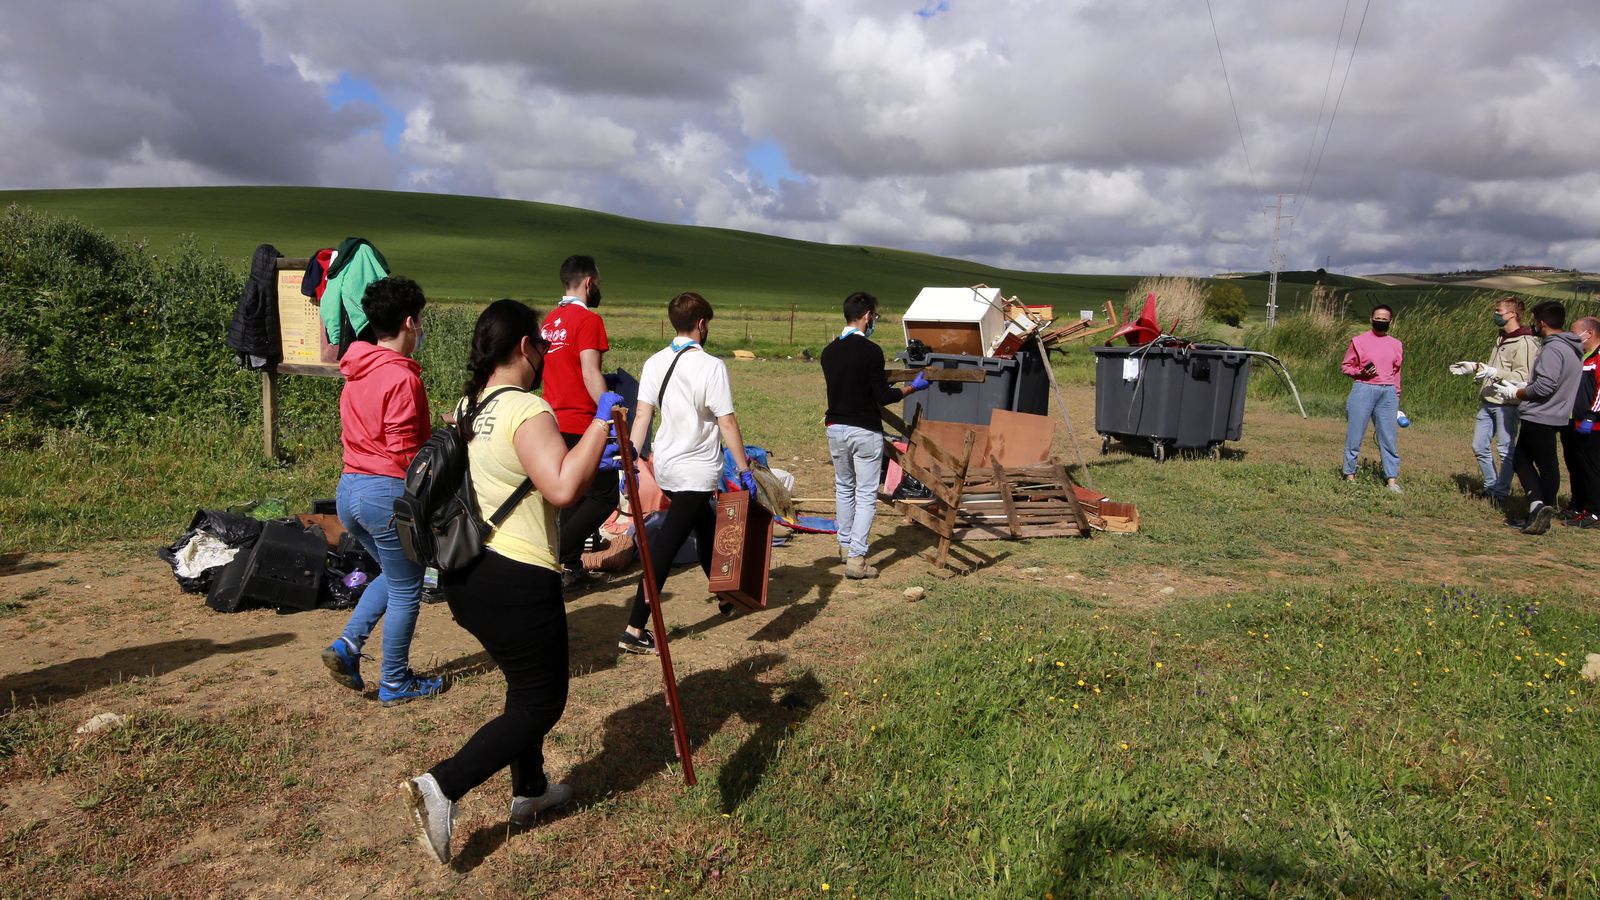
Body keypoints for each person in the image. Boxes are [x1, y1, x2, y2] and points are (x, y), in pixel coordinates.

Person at [405, 299, 622, 865]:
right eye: (543, 348)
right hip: (518, 575)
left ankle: (530, 789)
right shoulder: (528, 409)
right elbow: (561, 487)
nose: (547, 357)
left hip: (467, 574)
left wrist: (589, 448)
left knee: (522, 684)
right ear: (526, 347)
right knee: (542, 702)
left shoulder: (470, 404)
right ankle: (443, 785)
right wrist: (602, 422)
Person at [320, 276, 442, 707]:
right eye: (421, 320)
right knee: (408, 589)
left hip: (349, 490)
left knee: (394, 576)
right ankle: (394, 682)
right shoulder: (401, 378)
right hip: (385, 495)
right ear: (410, 321)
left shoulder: (357, 369)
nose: (422, 328)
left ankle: (347, 648)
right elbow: (406, 452)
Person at [617, 292, 756, 654]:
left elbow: (643, 415)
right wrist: (744, 469)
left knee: (705, 523)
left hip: (667, 464)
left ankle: (726, 595)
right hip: (696, 469)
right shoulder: (711, 366)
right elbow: (726, 420)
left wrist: (631, 455)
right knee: (664, 548)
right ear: (701, 324)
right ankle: (634, 628)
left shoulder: (654, 362)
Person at [820, 291, 931, 579]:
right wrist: (912, 388)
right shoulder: (871, 351)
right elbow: (883, 396)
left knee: (844, 488)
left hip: (836, 428)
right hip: (864, 430)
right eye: (875, 316)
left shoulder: (828, 352)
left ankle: (844, 547)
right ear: (867, 315)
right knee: (866, 493)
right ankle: (857, 558)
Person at [539, 255, 615, 585]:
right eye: (597, 281)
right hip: (581, 420)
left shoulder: (548, 321)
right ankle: (555, 555)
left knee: (570, 495)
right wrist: (609, 413)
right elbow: (590, 371)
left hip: (550, 420)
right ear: (588, 282)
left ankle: (570, 566)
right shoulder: (589, 322)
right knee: (604, 495)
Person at [1492, 300, 1584, 535]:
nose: (1533, 325)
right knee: (1548, 465)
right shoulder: (1573, 348)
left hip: (1540, 414)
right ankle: (1541, 509)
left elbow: (1544, 386)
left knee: (1521, 460)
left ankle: (1538, 507)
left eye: (1534, 321)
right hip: (1559, 414)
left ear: (1541, 322)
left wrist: (1518, 391)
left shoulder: (1553, 348)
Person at [1448, 296, 1540, 504]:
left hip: (1507, 404)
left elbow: (1523, 378)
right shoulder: (1501, 338)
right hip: (1488, 399)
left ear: (1512, 314)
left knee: (1505, 449)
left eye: (1499, 311)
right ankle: (1491, 486)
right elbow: (1497, 368)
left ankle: (1501, 492)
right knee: (1479, 446)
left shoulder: (1524, 342)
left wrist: (1492, 372)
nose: (1496, 315)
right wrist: (1476, 367)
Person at [1340, 305, 1404, 493]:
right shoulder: (1358, 341)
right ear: (1371, 318)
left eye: (1385, 319)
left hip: (1388, 392)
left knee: (1388, 437)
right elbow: (1346, 367)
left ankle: (1391, 480)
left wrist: (1396, 395)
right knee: (1355, 434)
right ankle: (1349, 475)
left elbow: (1397, 372)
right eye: (1378, 318)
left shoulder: (1397, 344)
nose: (1381, 321)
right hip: (1363, 389)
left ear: (1391, 322)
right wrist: (1361, 372)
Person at [1559, 316, 1600, 528]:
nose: (1572, 337)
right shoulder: (1581, 356)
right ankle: (1577, 505)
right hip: (1571, 421)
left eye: (1575, 334)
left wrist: (1592, 415)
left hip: (1592, 425)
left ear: (1589, 333)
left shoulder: (1599, 357)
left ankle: (1594, 512)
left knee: (1590, 469)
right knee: (1574, 466)